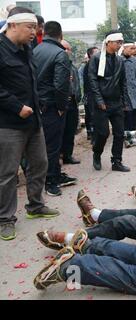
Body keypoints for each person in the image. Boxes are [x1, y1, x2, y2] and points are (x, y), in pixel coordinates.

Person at [0, 7, 60, 241]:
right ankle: (5, 218)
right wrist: (17, 107)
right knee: (7, 173)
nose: (34, 32)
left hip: (33, 120)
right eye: (30, 27)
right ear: (13, 25)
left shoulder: (27, 48)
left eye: (36, 28)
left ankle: (35, 206)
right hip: (8, 123)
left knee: (40, 163)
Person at [34, 21, 76, 196]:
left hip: (37, 104)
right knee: (53, 145)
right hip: (52, 105)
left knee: (45, 144)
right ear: (60, 35)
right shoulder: (60, 54)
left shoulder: (35, 50)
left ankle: (55, 174)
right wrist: (61, 106)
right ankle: (51, 181)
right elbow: (60, 85)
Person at [88, 30, 130, 173]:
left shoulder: (120, 60)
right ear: (108, 42)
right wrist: (99, 100)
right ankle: (97, 153)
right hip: (101, 102)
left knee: (119, 133)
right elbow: (92, 81)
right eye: (117, 42)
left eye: (121, 42)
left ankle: (117, 161)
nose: (120, 45)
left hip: (116, 102)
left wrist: (124, 101)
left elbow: (123, 82)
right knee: (103, 133)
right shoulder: (96, 58)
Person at [61, 39, 82, 165]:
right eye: (63, 48)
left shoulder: (72, 66)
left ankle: (68, 155)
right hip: (62, 101)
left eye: (68, 49)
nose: (66, 51)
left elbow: (77, 84)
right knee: (60, 131)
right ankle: (59, 154)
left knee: (70, 129)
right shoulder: (57, 64)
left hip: (73, 101)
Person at [122, 42, 136, 131]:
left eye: (134, 49)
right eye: (131, 49)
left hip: (135, 91)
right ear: (124, 48)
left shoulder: (134, 60)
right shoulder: (119, 60)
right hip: (124, 92)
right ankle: (127, 135)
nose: (133, 51)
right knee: (127, 115)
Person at [82, 46, 99, 141]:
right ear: (91, 55)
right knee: (91, 114)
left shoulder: (97, 64)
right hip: (91, 94)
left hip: (95, 94)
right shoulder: (89, 66)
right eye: (96, 52)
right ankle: (92, 134)